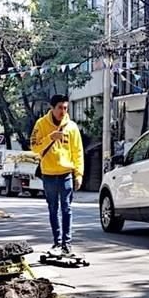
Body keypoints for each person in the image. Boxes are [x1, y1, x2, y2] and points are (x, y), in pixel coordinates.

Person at [30, 94, 84, 256]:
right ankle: (57, 242)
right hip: (48, 174)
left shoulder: (72, 127)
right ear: (52, 108)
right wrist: (50, 138)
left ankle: (67, 243)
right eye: (60, 107)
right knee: (53, 208)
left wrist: (79, 174)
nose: (63, 111)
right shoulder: (41, 124)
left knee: (67, 208)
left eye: (65, 108)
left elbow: (78, 152)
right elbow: (34, 147)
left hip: (66, 173)